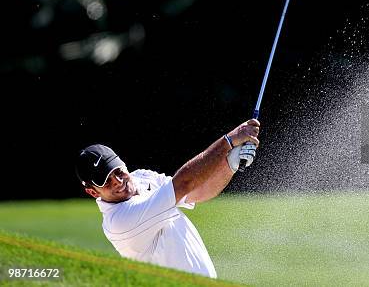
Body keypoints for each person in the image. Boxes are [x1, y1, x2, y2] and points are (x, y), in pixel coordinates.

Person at [75, 119, 260, 278]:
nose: (116, 181)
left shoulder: (142, 176)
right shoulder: (119, 222)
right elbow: (184, 183)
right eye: (105, 181)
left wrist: (230, 164)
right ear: (93, 192)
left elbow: (197, 191)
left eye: (117, 170)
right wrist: (229, 141)